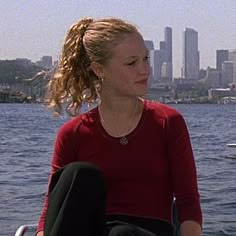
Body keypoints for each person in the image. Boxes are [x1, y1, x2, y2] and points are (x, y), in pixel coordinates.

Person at [36, 17, 202, 236]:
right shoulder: (73, 133)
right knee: (79, 174)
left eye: (146, 59)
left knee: (121, 234)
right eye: (132, 63)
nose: (144, 70)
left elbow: (188, 203)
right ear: (99, 69)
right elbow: (52, 212)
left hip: (147, 232)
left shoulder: (168, 122)